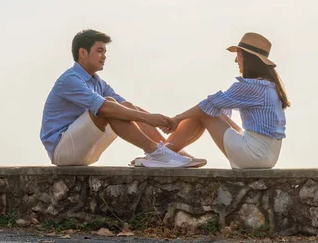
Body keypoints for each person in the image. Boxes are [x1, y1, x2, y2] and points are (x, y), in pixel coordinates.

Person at [40, 29, 203, 168]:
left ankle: (168, 151)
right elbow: (105, 108)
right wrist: (149, 118)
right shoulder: (70, 79)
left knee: (124, 106)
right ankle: (156, 153)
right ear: (83, 53)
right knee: (108, 107)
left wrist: (154, 118)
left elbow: (126, 108)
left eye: (105, 52)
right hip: (63, 151)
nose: (104, 56)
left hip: (87, 150)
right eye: (99, 51)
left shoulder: (97, 82)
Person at [162, 32, 289, 169]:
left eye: (238, 55)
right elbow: (216, 107)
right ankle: (164, 151)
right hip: (267, 156)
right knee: (213, 111)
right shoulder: (269, 85)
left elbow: (208, 104)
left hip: (254, 155)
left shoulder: (252, 86)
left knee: (205, 112)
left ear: (247, 58)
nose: (236, 60)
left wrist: (176, 119)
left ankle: (162, 154)